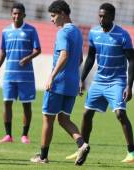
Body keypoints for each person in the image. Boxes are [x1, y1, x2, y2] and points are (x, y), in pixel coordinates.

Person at [65, 3, 134, 163]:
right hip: (99, 80)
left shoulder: (123, 35)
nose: (101, 19)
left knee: (120, 114)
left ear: (112, 17)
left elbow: (132, 61)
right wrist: (81, 79)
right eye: (100, 16)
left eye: (104, 16)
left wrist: (129, 86)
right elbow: (90, 58)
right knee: (87, 114)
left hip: (117, 81)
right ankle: (82, 149)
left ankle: (132, 152)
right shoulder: (94, 32)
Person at [30, 0, 89, 165]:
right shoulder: (77, 32)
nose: (51, 19)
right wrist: (74, 77)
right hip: (71, 83)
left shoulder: (63, 32)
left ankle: (42, 156)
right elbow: (79, 59)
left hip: (58, 82)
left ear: (63, 14)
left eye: (53, 15)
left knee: (47, 118)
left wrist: (52, 76)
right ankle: (82, 144)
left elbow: (64, 55)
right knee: (63, 119)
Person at [0, 2, 41, 144]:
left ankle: (24, 135)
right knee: (7, 103)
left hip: (26, 76)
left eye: (19, 13)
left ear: (24, 15)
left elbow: (38, 49)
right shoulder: (5, 31)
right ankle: (8, 135)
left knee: (26, 105)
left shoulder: (31, 30)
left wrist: (27, 58)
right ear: (11, 15)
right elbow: (3, 51)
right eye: (14, 13)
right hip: (9, 74)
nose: (16, 16)